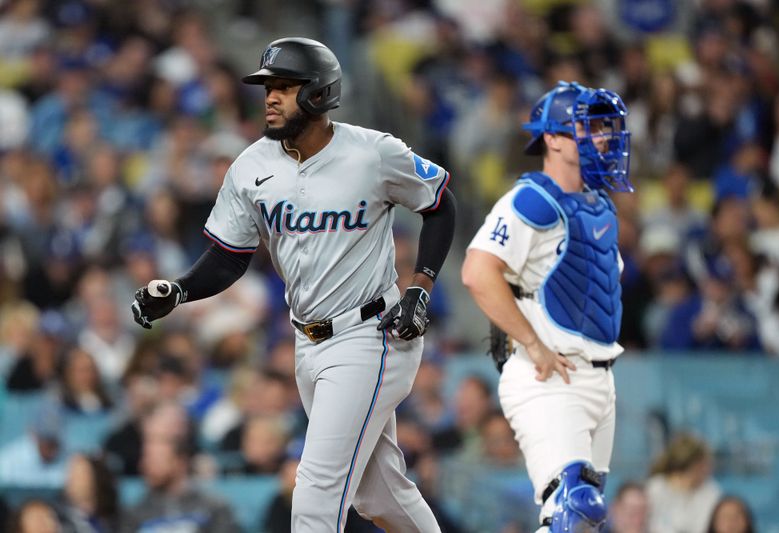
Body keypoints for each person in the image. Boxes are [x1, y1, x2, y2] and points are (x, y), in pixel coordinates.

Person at [131, 37, 456, 532]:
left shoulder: (374, 153)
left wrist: (420, 287)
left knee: (315, 492)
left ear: (320, 93)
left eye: (284, 86)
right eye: (267, 87)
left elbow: (440, 205)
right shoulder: (251, 167)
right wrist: (178, 291)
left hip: (371, 334)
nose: (271, 97)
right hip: (307, 343)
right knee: (379, 492)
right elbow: (228, 256)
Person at [462, 80, 634, 532]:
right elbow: (478, 272)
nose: (604, 138)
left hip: (598, 380)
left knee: (582, 521)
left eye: (605, 128)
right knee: (570, 510)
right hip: (549, 378)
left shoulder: (598, 205)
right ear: (553, 138)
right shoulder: (531, 200)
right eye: (590, 127)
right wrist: (533, 344)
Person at [119, 437, 237, 533]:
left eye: (155, 461)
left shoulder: (213, 506)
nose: (145, 467)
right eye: (145, 460)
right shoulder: (135, 512)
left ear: (180, 463)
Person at [646, 433, 721, 533]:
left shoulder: (711, 490)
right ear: (691, 465)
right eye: (705, 464)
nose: (709, 469)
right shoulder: (655, 488)